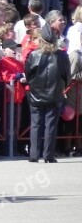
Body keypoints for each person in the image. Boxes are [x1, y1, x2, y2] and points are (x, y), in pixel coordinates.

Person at [25, 19, 71, 163]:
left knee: (36, 124)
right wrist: (62, 86)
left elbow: (28, 74)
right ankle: (48, 155)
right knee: (50, 124)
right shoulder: (61, 55)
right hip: (54, 93)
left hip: (36, 93)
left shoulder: (34, 55)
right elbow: (67, 76)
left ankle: (33, 154)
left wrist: (34, 85)